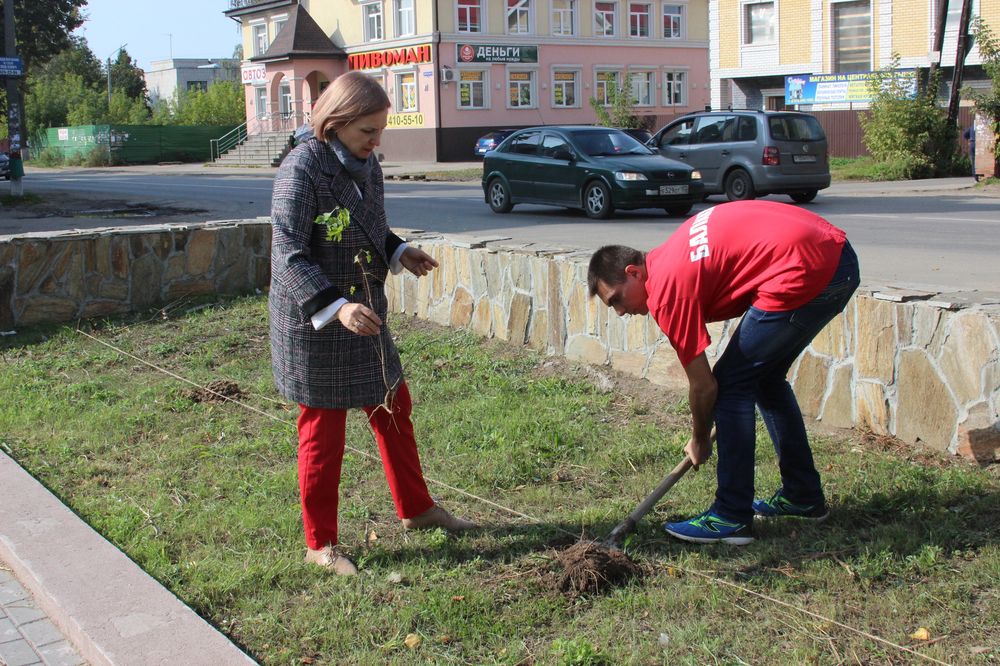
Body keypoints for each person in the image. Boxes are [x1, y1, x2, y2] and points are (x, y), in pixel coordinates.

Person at [269, 71, 475, 575]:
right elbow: (288, 253)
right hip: (317, 322)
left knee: (393, 406)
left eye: (380, 130)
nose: (376, 142)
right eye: (368, 131)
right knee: (324, 430)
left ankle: (417, 510)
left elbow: (372, 223)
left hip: (365, 314)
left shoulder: (366, 164)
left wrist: (399, 250)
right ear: (335, 123)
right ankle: (320, 544)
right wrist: (336, 306)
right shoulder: (301, 170)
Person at [587, 200, 859, 545]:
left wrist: (700, 437)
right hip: (835, 258)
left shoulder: (667, 290)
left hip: (808, 269)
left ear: (634, 273)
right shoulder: (672, 254)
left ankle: (731, 516)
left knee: (731, 386)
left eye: (617, 300)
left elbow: (704, 388)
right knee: (764, 380)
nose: (622, 312)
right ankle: (802, 497)